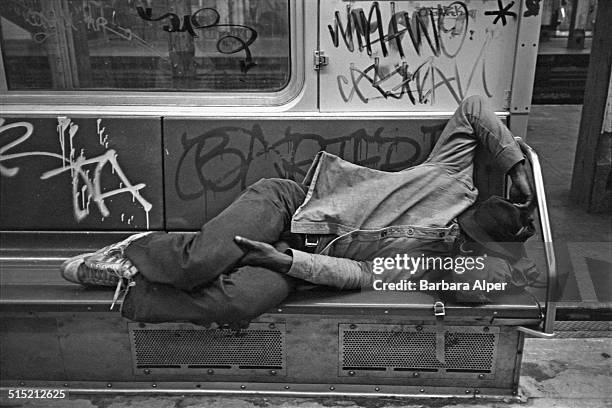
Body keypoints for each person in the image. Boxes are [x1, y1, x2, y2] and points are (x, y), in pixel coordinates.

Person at [60, 95, 534, 325]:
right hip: (290, 206)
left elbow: (357, 275)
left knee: (238, 304)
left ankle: (130, 289)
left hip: (300, 257)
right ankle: (137, 249)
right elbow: (474, 107)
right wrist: (513, 164)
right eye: (461, 228)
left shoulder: (428, 266)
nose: (453, 234)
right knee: (200, 263)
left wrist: (286, 263)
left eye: (463, 242)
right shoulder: (452, 174)